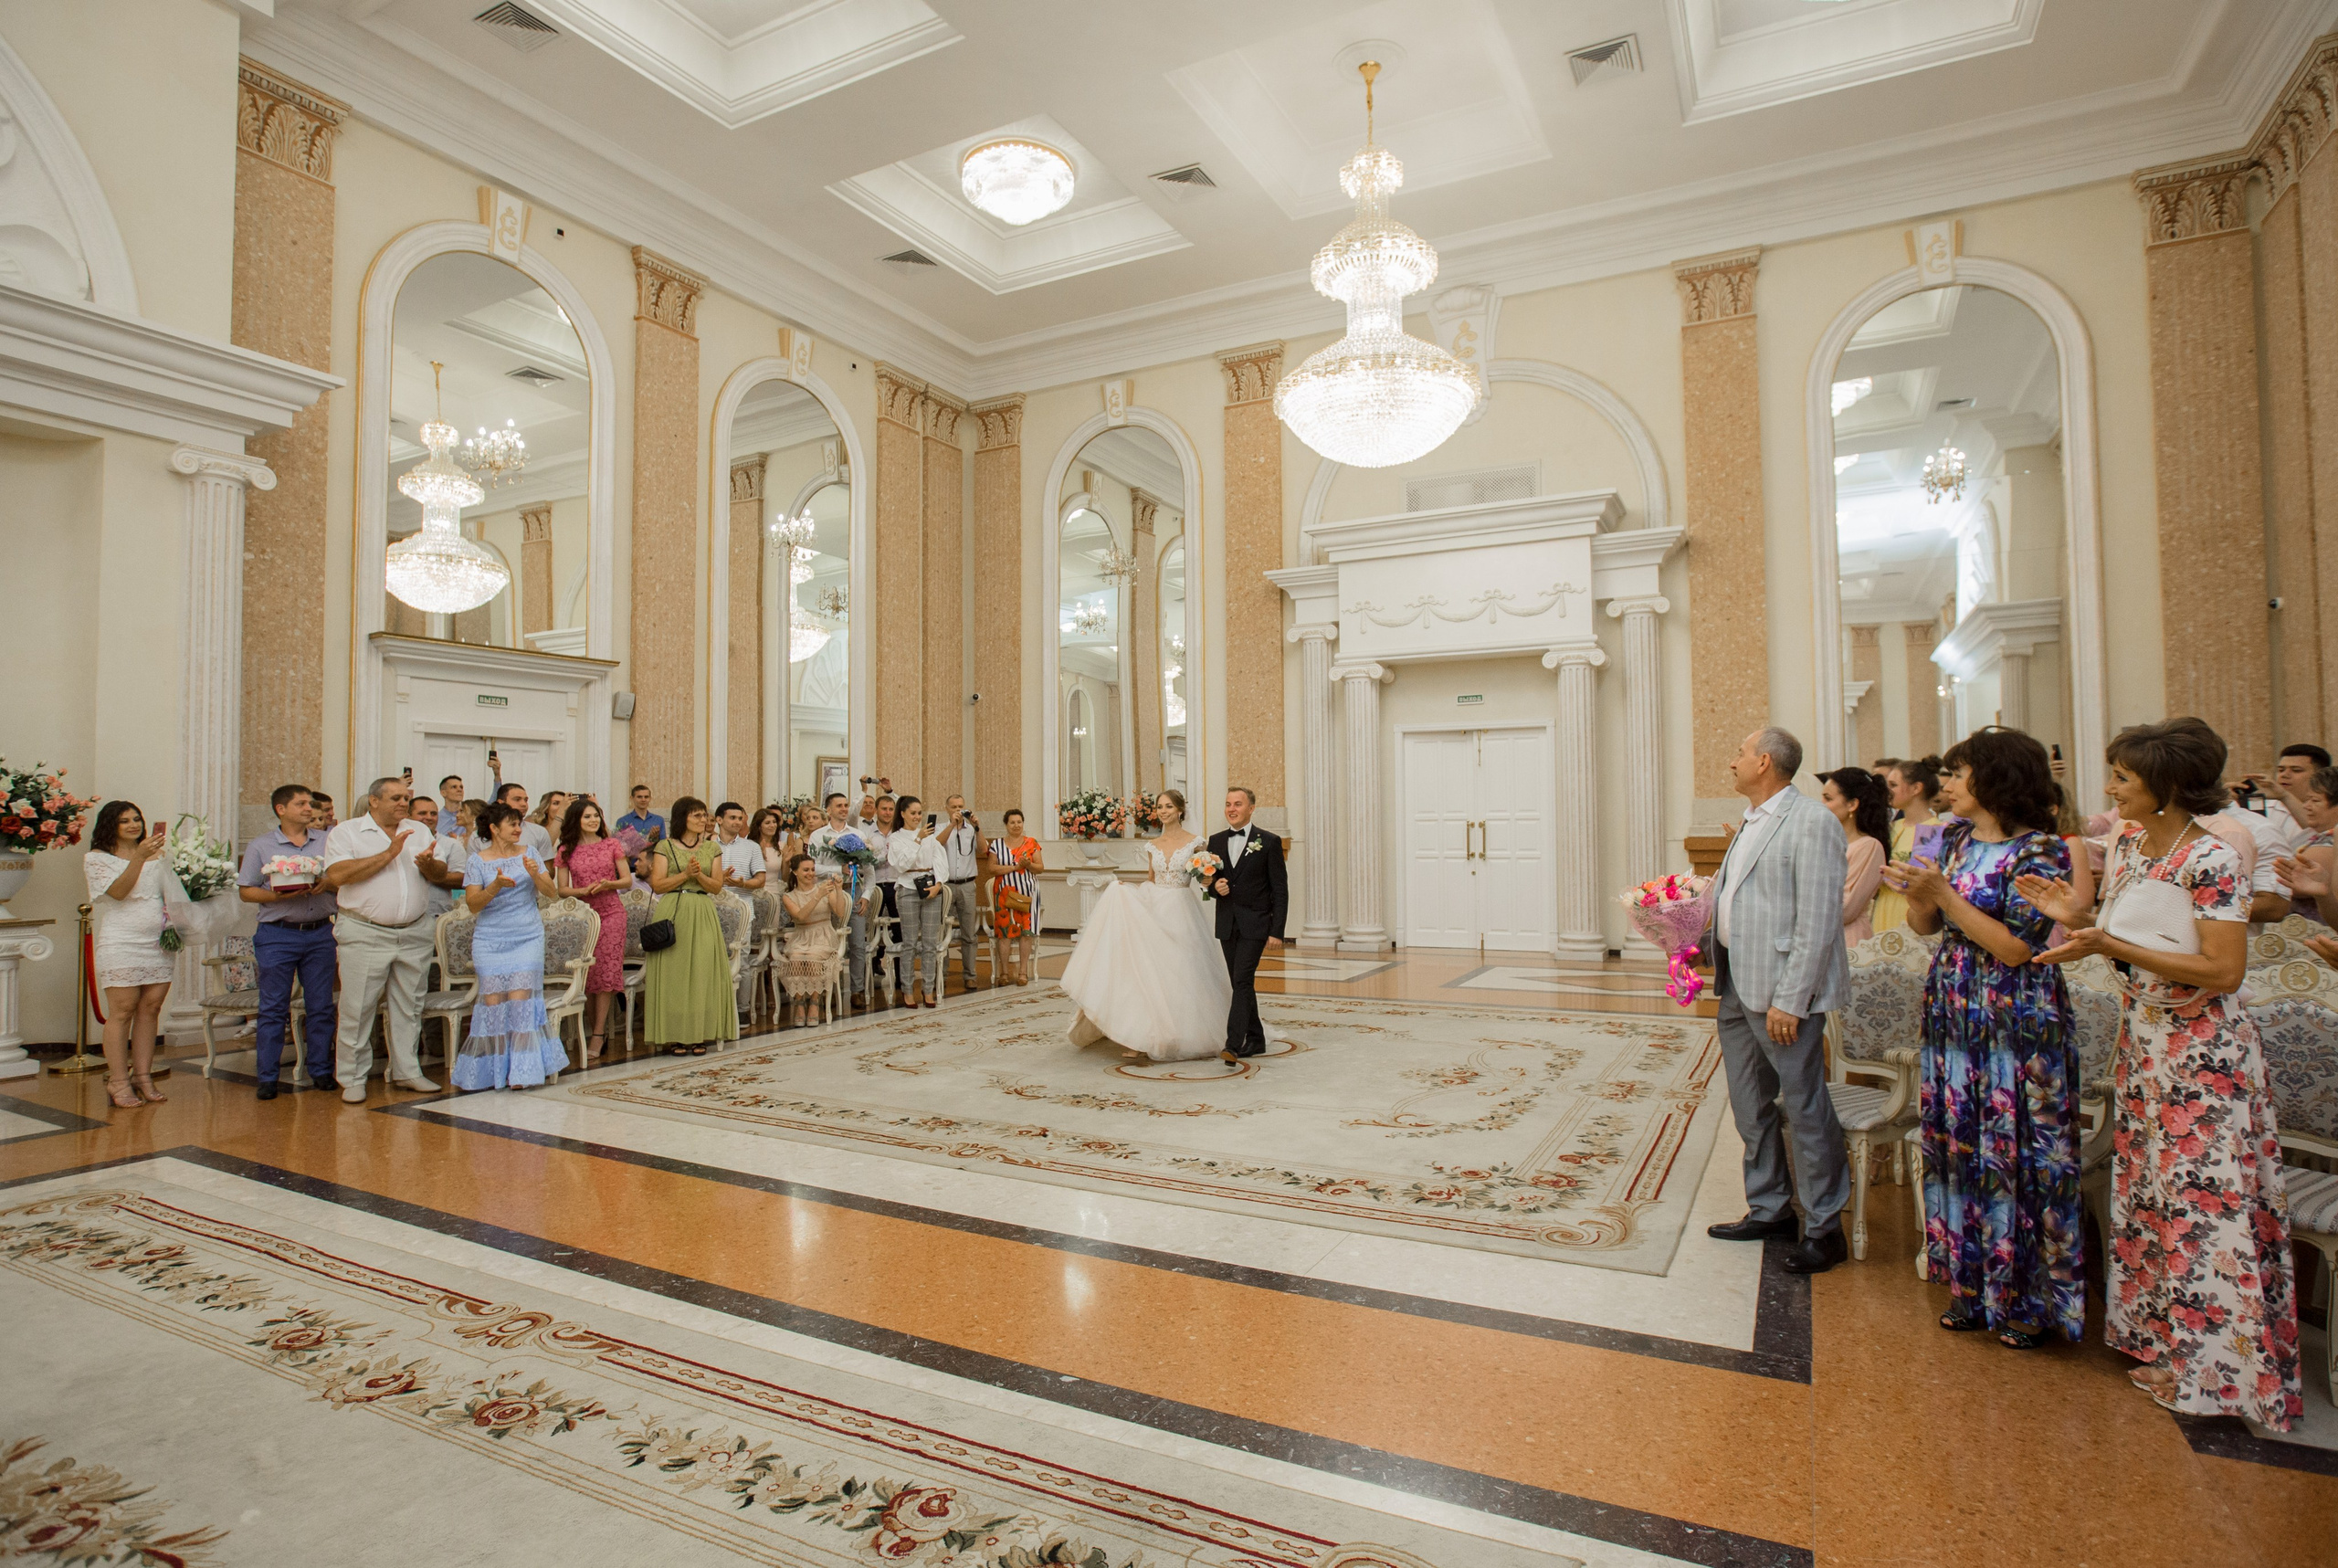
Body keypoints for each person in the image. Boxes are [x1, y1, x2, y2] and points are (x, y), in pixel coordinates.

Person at [2020, 718, 2303, 1428]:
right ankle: (2167, 1341)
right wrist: (2078, 920)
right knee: (2152, 1194)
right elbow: (2134, 937)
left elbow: (2223, 968)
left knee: (2204, 1205)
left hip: (2204, 1054)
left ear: (2167, 785)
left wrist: (2109, 939)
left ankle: (2222, 1371)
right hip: (2147, 1041)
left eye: (2123, 777)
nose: (2111, 789)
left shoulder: (2213, 858)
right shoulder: (2131, 846)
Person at [1879, 729, 2080, 1347]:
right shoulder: (1952, 840)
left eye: (1958, 773)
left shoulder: (2042, 851)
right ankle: (1970, 1286)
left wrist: (1945, 896)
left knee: (2017, 1150)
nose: (1946, 784)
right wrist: (1919, 897)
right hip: (1956, 1005)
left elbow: (2019, 947)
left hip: (2016, 1014)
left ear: (1997, 778)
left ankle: (2029, 1301)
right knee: (1962, 1142)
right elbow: (1924, 925)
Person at [1702, 728, 1853, 1275]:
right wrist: (1696, 942)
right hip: (1738, 985)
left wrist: (1791, 1000)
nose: (1733, 761)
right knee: (1749, 1105)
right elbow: (1737, 898)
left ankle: (1824, 1226)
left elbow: (1817, 921)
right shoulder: (1750, 821)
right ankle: (1769, 1208)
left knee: (1806, 1108)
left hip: (1782, 997)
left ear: (1764, 761)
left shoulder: (1811, 822)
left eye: (1740, 753)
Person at [321, 775, 462, 1103]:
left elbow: (440, 876)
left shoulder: (420, 830)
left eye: (405, 798)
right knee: (358, 1007)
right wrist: (389, 853)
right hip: (366, 930)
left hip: (414, 930)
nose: (403, 803)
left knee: (410, 1005)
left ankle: (407, 1071)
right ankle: (353, 1077)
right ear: (374, 801)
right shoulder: (348, 832)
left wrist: (430, 867)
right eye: (395, 798)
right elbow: (338, 876)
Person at [1062, 790, 1229, 1061]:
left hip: (1182, 910)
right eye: (1159, 807)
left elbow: (1203, 879)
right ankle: (1142, 1035)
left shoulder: (1195, 842)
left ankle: (1184, 1033)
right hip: (1156, 905)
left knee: (1181, 971)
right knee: (1148, 972)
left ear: (1180, 811)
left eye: (1168, 807)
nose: (1163, 811)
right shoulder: (1153, 845)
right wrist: (1129, 892)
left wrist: (1208, 878)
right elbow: (1150, 880)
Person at [454, 802, 570, 1090]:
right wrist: (494, 886)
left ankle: (521, 1071)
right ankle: (493, 1072)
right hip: (490, 939)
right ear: (494, 829)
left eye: (520, 824)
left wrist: (534, 874)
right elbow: (472, 905)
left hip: (527, 936)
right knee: (493, 1005)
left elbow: (552, 893)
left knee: (520, 1003)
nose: (519, 829)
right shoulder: (477, 861)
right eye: (513, 824)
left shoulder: (529, 853)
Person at [236, 784, 339, 1100]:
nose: (310, 809)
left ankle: (321, 1070)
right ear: (281, 809)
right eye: (302, 804)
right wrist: (280, 894)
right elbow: (246, 890)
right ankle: (267, 1076)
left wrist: (328, 883)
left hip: (321, 931)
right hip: (277, 933)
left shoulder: (327, 842)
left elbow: (344, 877)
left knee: (321, 1006)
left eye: (310, 804)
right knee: (273, 1008)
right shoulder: (261, 846)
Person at [84, 801, 174, 1110]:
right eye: (125, 821)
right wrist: (138, 857)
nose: (134, 825)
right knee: (122, 1011)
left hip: (157, 941)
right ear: (111, 826)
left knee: (151, 1007)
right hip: (121, 940)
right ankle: (118, 1081)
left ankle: (143, 1076)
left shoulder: (160, 856)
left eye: (137, 818)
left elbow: (173, 894)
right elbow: (119, 892)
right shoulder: (97, 859)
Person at [643, 796, 737, 1057]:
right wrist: (685, 875)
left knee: (702, 972)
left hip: (702, 909)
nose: (702, 820)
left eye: (704, 816)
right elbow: (658, 884)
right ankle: (675, 1035)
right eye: (696, 815)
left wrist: (699, 876)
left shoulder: (711, 848)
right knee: (675, 974)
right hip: (673, 910)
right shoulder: (665, 846)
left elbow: (717, 886)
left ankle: (699, 1033)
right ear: (682, 817)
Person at [1206, 787, 1288, 1064]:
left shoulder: (1269, 842)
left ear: (1251, 808)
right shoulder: (1215, 841)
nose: (1232, 809)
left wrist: (1277, 931)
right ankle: (1256, 1038)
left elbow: (1280, 890)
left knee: (1241, 980)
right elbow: (1210, 881)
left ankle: (1233, 1043)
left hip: (1256, 924)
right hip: (1227, 924)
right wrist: (1215, 887)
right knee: (1240, 983)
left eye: (1238, 804)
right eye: (1228, 804)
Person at [554, 795, 632, 1061]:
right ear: (576, 819)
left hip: (611, 912)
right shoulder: (566, 849)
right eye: (587, 816)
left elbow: (627, 880)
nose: (593, 820)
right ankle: (592, 1029)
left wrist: (608, 885)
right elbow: (562, 889)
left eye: (596, 815)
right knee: (588, 973)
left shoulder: (611, 844)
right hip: (584, 916)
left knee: (607, 972)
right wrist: (582, 891)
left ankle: (598, 1033)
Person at [809, 792, 879, 1007]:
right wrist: (837, 868)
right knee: (829, 944)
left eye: (846, 805)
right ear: (828, 810)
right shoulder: (818, 836)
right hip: (829, 891)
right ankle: (830, 989)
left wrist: (866, 895)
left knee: (858, 943)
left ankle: (857, 990)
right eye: (838, 805)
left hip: (854, 891)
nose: (843, 809)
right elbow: (813, 868)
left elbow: (869, 871)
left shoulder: (857, 834)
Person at [1869, 755, 1943, 934]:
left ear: (1916, 788)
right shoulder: (1889, 827)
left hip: (1913, 909)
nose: (1887, 791)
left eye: (1893, 785)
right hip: (1883, 906)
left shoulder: (1937, 830)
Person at [888, 795, 950, 1008]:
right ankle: (907, 990)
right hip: (907, 888)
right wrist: (917, 840)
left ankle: (928, 989)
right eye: (912, 813)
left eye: (919, 813)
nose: (916, 817)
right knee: (910, 943)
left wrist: (939, 884)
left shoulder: (930, 837)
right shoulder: (896, 838)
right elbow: (901, 864)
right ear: (903, 814)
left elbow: (940, 860)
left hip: (931, 887)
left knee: (930, 943)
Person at [1819, 766, 1891, 945]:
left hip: (1847, 939)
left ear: (1852, 804)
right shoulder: (1828, 841)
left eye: (1828, 799)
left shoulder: (1869, 847)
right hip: (1821, 934)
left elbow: (1847, 908)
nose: (1821, 804)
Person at [778, 852, 849, 1026]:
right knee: (795, 957)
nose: (810, 874)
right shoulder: (789, 896)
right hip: (801, 935)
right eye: (806, 870)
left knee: (813, 958)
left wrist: (838, 890)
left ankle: (815, 1002)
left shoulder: (825, 889)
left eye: (812, 869)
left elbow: (839, 912)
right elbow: (801, 917)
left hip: (823, 933)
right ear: (795, 872)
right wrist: (817, 895)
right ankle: (800, 1002)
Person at [981, 808, 1043, 986]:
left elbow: (1040, 868)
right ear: (1006, 825)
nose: (1016, 825)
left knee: (1026, 932)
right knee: (1005, 933)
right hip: (1004, 893)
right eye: (1012, 822)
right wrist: (1015, 868)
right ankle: (1004, 973)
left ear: (1023, 823)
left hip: (1028, 892)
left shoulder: (1032, 843)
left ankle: (1023, 972)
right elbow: (991, 869)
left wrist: (1028, 864)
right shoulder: (997, 845)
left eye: (1019, 822)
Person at [2270, 765, 2338, 924]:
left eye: (2314, 801)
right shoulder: (2321, 833)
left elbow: (2278, 880)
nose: (2306, 806)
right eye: (2307, 799)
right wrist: (2283, 796)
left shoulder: (2329, 843)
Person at [2244, 742, 2332, 847]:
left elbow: (2324, 834)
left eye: (2296, 770)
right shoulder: (2264, 807)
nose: (2285, 775)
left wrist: (2285, 796)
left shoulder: (2330, 809)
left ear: (2319, 775)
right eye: (2281, 770)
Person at [940, 795, 984, 992]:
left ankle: (970, 976)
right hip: (946, 885)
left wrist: (977, 827)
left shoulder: (971, 830)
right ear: (947, 808)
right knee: (943, 933)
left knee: (969, 933)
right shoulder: (941, 828)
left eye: (961, 806)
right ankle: (942, 974)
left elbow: (983, 850)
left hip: (967, 885)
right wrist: (951, 825)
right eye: (954, 807)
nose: (958, 809)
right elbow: (936, 845)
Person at [867, 794, 904, 1002]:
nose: (888, 813)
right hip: (875, 885)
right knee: (871, 930)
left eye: (891, 809)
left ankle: (900, 978)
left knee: (899, 931)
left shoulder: (899, 834)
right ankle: (870, 969)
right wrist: (883, 857)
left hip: (897, 885)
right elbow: (866, 861)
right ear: (876, 811)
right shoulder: (868, 834)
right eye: (884, 809)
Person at [715, 802, 767, 892]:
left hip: (742, 904)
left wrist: (743, 884)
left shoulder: (753, 847)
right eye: (733, 818)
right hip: (711, 904)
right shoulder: (707, 847)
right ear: (719, 820)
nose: (738, 822)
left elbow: (761, 880)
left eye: (740, 819)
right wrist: (718, 879)